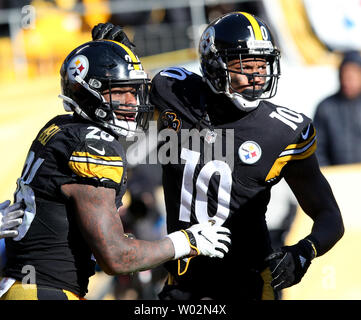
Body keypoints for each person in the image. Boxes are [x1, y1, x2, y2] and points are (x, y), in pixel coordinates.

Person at [92, 11, 344, 300]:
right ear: (214, 65)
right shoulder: (174, 90)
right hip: (181, 283)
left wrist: (304, 251)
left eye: (262, 66)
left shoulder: (283, 131)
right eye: (246, 66)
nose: (257, 77)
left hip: (245, 286)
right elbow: (126, 90)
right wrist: (116, 54)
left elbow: (330, 216)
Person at [0, 39, 231, 300]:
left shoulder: (60, 128)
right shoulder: (93, 144)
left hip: (28, 287)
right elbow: (116, 257)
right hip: (45, 291)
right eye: (120, 91)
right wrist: (185, 242)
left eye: (134, 91)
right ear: (87, 91)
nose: (132, 102)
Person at [313, 50, 361, 166]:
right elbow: (317, 149)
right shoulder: (326, 107)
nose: (347, 80)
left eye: (353, 75)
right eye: (345, 74)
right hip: (337, 178)